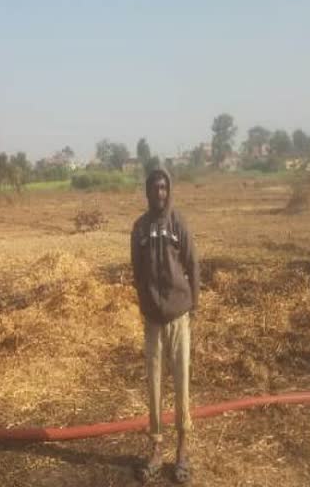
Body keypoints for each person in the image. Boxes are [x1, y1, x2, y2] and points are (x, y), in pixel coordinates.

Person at [131, 167, 199, 483]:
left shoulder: (178, 223)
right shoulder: (139, 229)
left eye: (163, 187)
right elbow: (137, 271)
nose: (159, 192)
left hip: (179, 317)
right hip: (153, 323)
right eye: (154, 188)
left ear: (169, 190)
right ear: (147, 192)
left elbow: (193, 264)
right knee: (154, 384)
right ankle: (157, 448)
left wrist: (193, 304)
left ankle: (182, 451)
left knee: (181, 383)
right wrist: (146, 304)